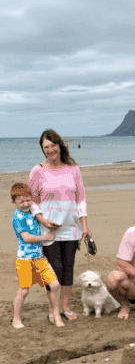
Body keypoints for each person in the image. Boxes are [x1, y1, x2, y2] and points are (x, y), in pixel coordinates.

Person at [27, 129, 92, 321]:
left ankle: (65, 308)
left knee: (68, 268)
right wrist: (41, 219)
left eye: (52, 145)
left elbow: (81, 199)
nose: (49, 150)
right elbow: (31, 200)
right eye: (45, 147)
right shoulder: (37, 171)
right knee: (54, 270)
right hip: (49, 230)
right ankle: (53, 310)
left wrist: (85, 226)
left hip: (71, 228)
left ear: (59, 145)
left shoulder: (73, 170)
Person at [10, 182, 64, 329]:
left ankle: (56, 314)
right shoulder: (17, 217)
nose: (26, 203)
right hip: (25, 260)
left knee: (54, 284)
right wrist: (46, 238)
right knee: (24, 290)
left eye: (28, 200)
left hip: (39, 258)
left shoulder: (33, 213)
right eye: (21, 201)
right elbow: (26, 238)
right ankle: (16, 319)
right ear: (14, 202)